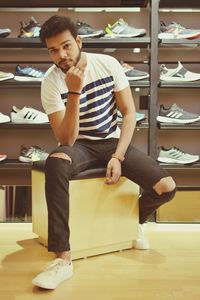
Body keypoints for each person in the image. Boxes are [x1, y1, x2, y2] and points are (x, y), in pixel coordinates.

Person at [32, 15, 176, 290]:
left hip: (111, 142)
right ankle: (62, 258)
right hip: (79, 146)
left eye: (66, 46)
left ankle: (134, 222)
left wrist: (118, 156)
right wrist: (73, 93)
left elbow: (129, 113)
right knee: (56, 161)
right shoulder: (50, 82)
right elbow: (66, 138)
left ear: (78, 41)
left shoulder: (106, 64)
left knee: (167, 188)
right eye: (53, 50)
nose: (61, 55)